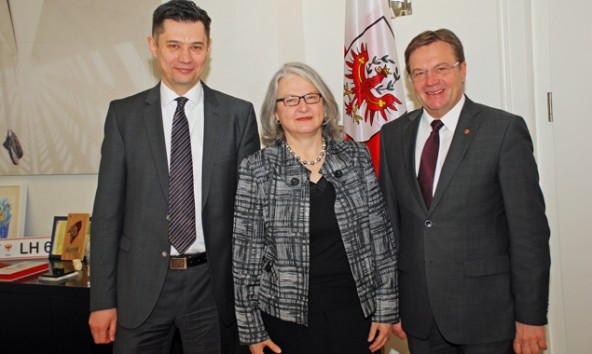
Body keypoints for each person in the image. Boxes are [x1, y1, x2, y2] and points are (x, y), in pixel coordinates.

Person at [88, 1, 260, 353]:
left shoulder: (237, 115)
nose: (185, 56)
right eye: (174, 45)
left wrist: (252, 297)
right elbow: (106, 215)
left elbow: (250, 217)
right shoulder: (124, 116)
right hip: (141, 288)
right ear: (153, 46)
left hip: (211, 289)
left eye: (196, 46)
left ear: (208, 50)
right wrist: (101, 300)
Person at [379, 29, 551, 354]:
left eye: (441, 68)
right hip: (419, 316)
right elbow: (390, 228)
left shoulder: (503, 131)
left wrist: (531, 316)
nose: (431, 81)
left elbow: (529, 233)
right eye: (420, 72)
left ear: (463, 70)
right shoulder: (393, 136)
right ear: (410, 81)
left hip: (488, 316)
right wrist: (392, 304)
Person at [232, 62, 398, 354]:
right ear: (276, 114)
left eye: (311, 96)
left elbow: (380, 239)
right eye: (290, 100)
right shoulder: (257, 168)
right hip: (287, 321)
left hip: (357, 314)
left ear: (325, 106)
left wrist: (386, 309)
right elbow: (246, 256)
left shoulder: (357, 157)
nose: (302, 106)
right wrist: (252, 329)